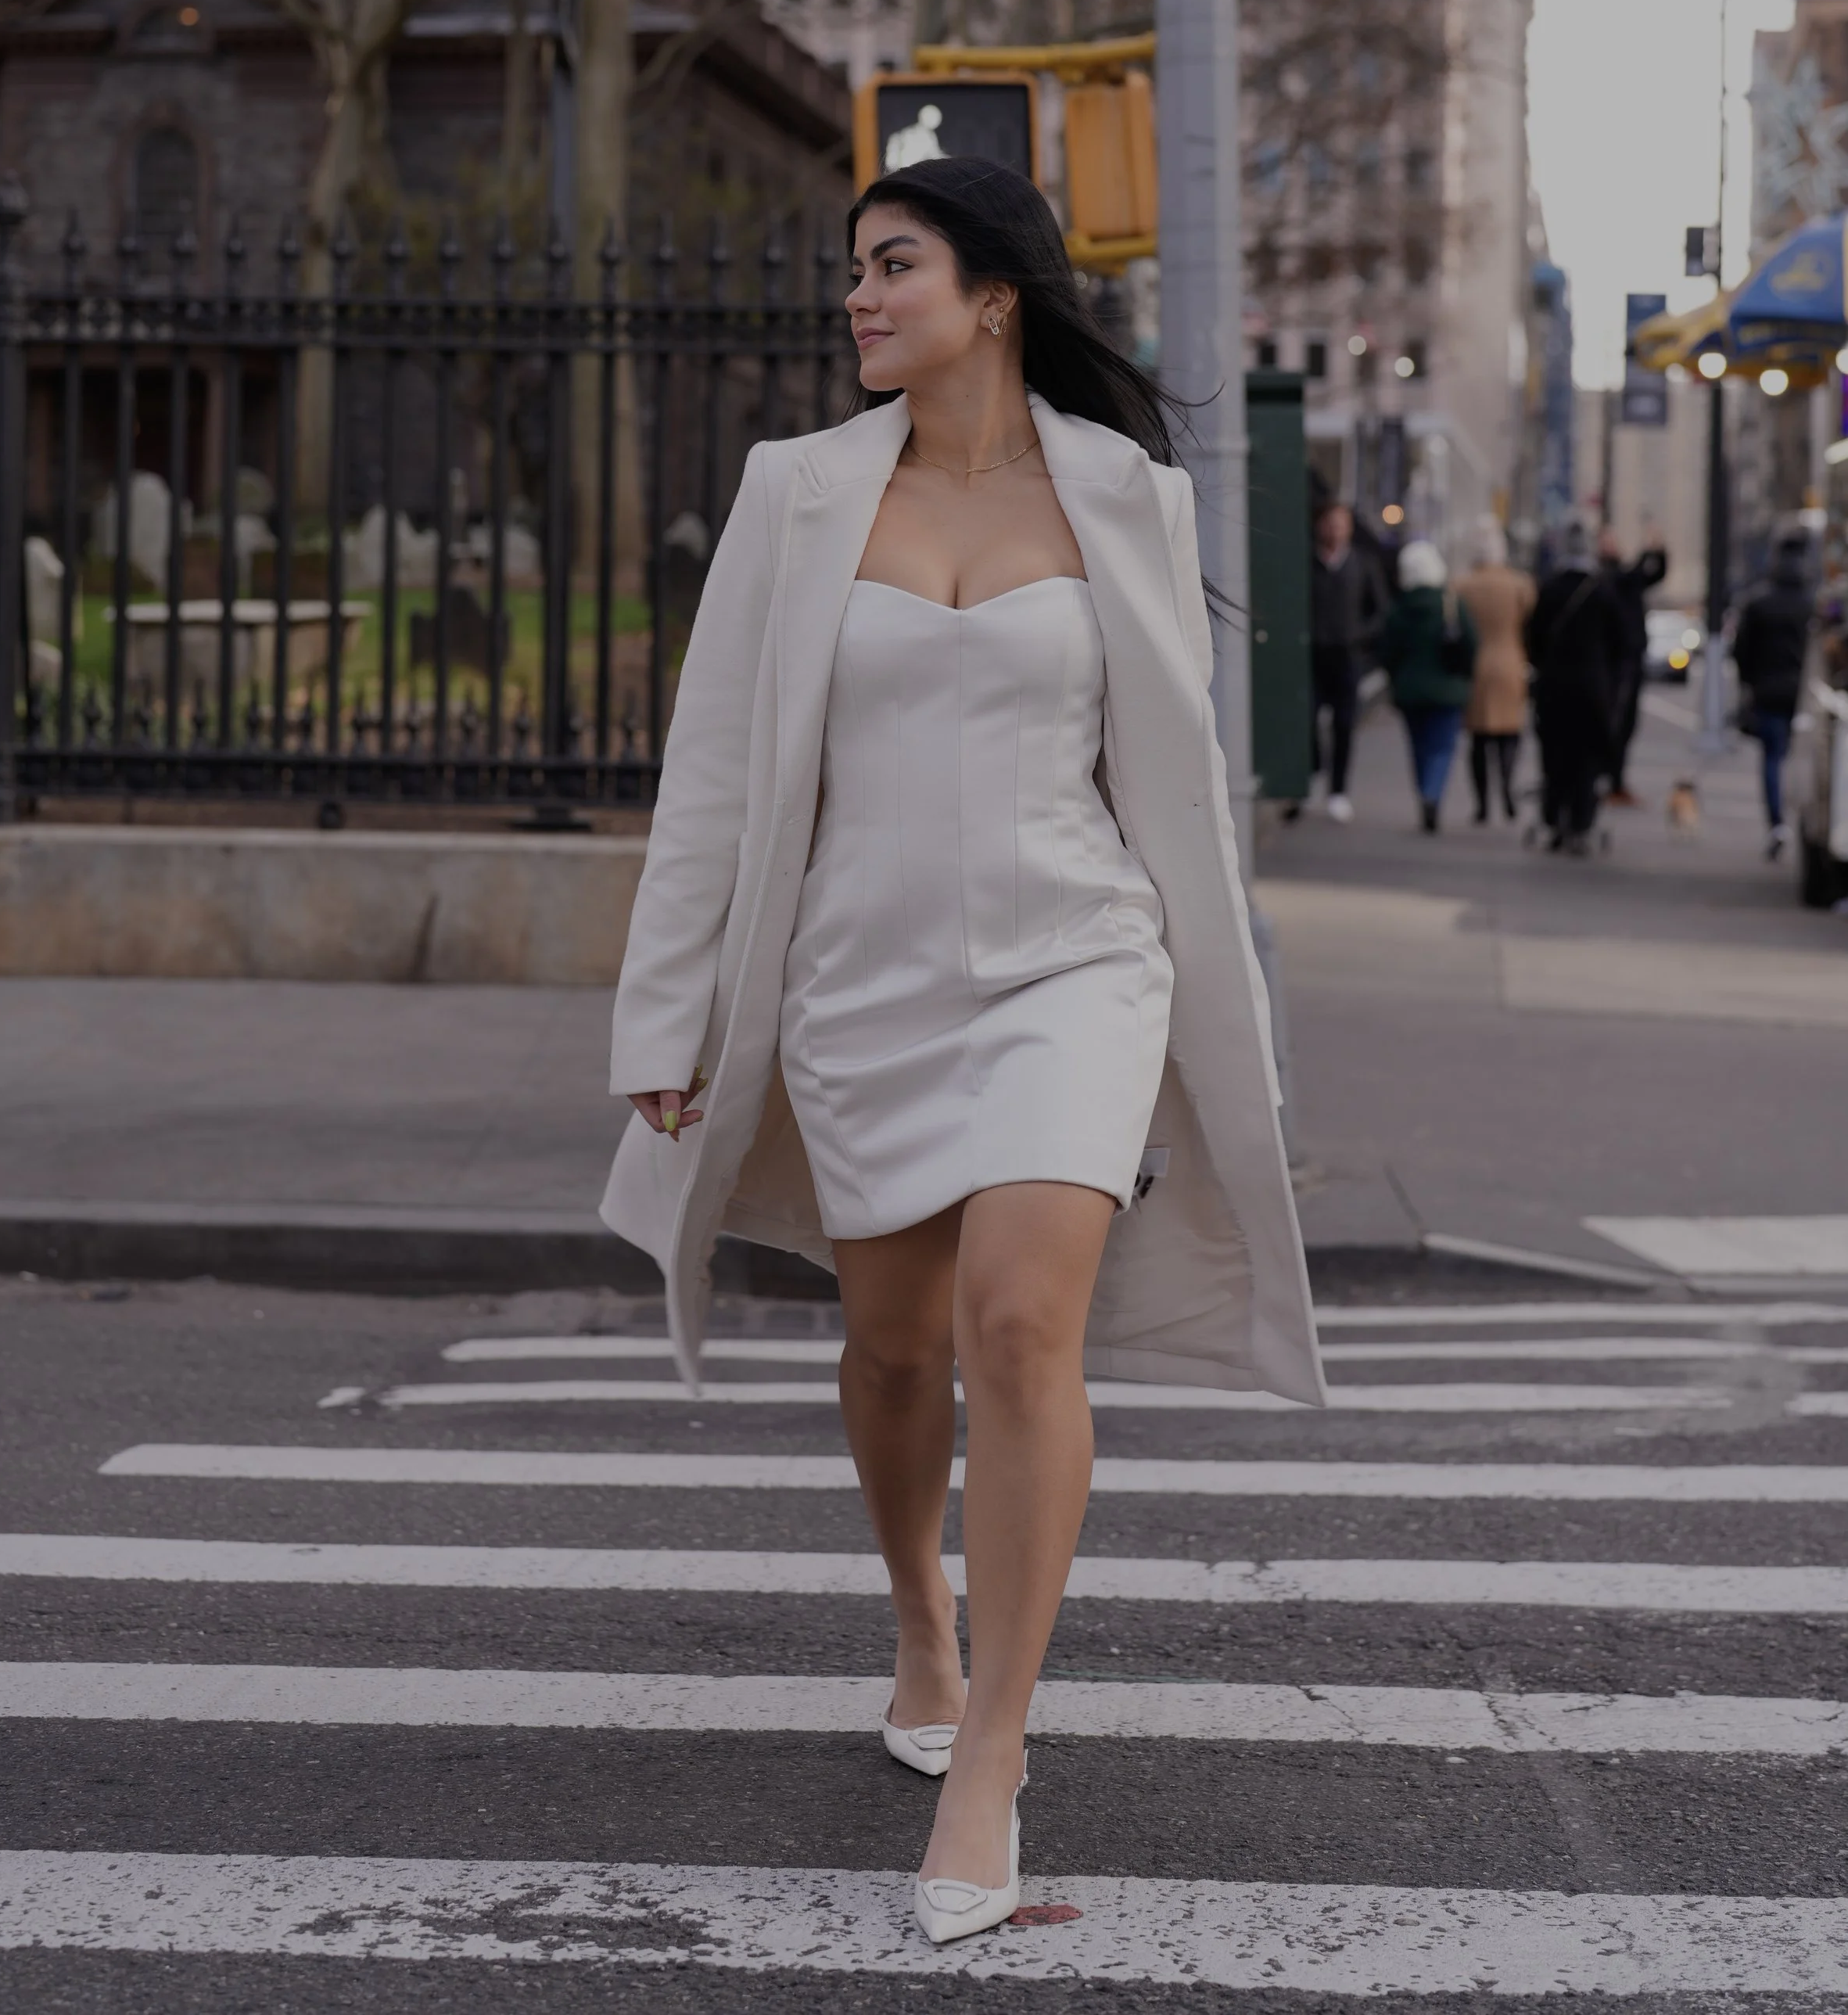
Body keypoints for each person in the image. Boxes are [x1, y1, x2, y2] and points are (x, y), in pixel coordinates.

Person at [603, 156, 1322, 1950]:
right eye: (854, 268)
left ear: (993, 294)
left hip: (1074, 961)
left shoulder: (1123, 496)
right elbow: (712, 776)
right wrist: (665, 1013)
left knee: (1016, 1323)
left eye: (892, 264)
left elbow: (1175, 785)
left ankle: (990, 1749)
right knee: (894, 1347)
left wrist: (1234, 1017)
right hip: (862, 980)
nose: (858, 296)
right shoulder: (794, 494)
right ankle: (918, 1610)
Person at [1527, 519, 1638, 856]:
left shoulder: (1549, 588)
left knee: (1555, 756)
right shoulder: (1603, 591)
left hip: (1554, 687)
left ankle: (1554, 819)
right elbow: (1623, 643)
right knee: (1587, 759)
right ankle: (1581, 822)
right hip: (1592, 688)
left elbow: (1532, 638)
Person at [1375, 537, 1477, 832]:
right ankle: (1433, 793)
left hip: (1410, 692)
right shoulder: (1451, 605)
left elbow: (1387, 652)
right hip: (1448, 690)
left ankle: (1424, 791)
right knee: (1442, 747)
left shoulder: (1398, 608)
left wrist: (1396, 678)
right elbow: (1471, 644)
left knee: (1419, 747)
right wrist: (1465, 676)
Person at [1733, 536, 1814, 861]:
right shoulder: (1810, 605)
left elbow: (1741, 650)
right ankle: (1803, 821)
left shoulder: (1759, 604)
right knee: (1805, 759)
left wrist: (1749, 683)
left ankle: (1777, 823)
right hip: (1803, 693)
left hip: (1767, 690)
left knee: (1772, 758)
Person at [1309, 499, 1385, 822]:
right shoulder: (1307, 563)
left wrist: (1359, 635)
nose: (1335, 530)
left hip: (1347, 657)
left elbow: (1380, 610)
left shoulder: (1363, 563)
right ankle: (1312, 773)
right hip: (1312, 655)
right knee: (1307, 718)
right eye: (1329, 523)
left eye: (1341, 524)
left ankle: (1338, 791)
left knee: (1344, 724)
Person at [1457, 514, 1535, 824]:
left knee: (1479, 739)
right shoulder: (1519, 585)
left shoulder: (1463, 585)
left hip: (1476, 666)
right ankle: (1506, 786)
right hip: (1510, 661)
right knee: (1509, 733)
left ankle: (1482, 804)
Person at [1597, 523, 1668, 803]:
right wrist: (1648, 551)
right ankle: (1610, 778)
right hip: (1617, 659)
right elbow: (1633, 575)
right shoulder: (1609, 577)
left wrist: (1658, 552)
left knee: (1625, 722)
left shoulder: (1624, 578)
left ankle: (1614, 778)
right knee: (1616, 719)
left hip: (1629, 658)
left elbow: (1653, 575)